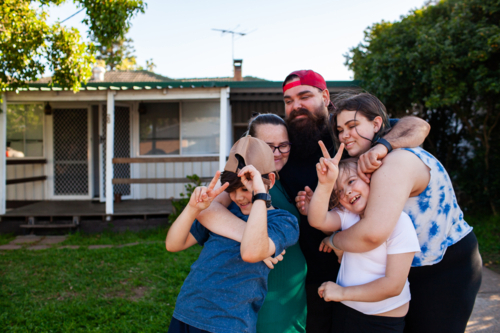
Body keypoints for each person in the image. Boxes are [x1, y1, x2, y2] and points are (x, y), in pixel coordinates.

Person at [197, 70, 430, 332]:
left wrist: (382, 146)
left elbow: (418, 126)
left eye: (304, 96)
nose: (296, 105)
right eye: (288, 100)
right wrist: (256, 240)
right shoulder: (280, 146)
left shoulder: (349, 132)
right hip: (305, 276)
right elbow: (208, 207)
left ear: (325, 96)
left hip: (366, 269)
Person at [310, 92, 482, 333]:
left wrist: (334, 240)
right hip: (410, 265)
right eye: (340, 130)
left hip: (444, 266)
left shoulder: (394, 160)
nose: (344, 135)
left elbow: (372, 234)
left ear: (377, 124)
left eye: (352, 125)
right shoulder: (368, 159)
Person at [165, 136, 299, 333]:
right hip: (188, 311)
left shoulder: (283, 221)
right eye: (233, 190)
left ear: (269, 180)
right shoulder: (226, 212)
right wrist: (192, 209)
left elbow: (251, 252)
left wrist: (260, 194)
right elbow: (173, 244)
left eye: (246, 189)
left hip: (230, 323)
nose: (238, 197)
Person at [308, 138, 421, 332]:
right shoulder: (348, 216)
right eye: (339, 192)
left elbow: (393, 285)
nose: (347, 192)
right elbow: (317, 220)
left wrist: (342, 293)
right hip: (346, 312)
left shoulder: (400, 222)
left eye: (352, 181)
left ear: (371, 179)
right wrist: (326, 185)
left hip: (381, 320)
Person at [248, 114, 308, 333]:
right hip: (267, 298)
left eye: (283, 146)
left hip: (291, 297)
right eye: (267, 146)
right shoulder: (243, 182)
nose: (276, 153)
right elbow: (211, 215)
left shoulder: (279, 178)